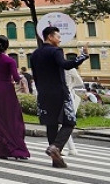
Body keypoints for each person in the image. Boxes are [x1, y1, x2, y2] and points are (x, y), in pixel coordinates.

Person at [31, 26, 88, 168]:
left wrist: (40, 91)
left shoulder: (34, 54)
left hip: (43, 93)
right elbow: (65, 65)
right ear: (50, 37)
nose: (60, 38)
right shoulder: (56, 51)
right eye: (58, 36)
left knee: (51, 124)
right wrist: (82, 57)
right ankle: (56, 147)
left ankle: (55, 160)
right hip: (59, 92)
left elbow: (36, 76)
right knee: (70, 122)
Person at [0, 35, 30, 160]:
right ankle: (17, 149)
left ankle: (2, 149)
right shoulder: (10, 61)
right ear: (7, 46)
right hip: (7, 90)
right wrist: (20, 77)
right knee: (14, 119)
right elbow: (16, 78)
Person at [64, 67, 85, 156]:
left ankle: (69, 148)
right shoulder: (68, 68)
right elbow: (79, 82)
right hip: (67, 95)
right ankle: (70, 148)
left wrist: (70, 86)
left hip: (68, 96)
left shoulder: (68, 68)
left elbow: (80, 82)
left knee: (65, 124)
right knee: (65, 124)